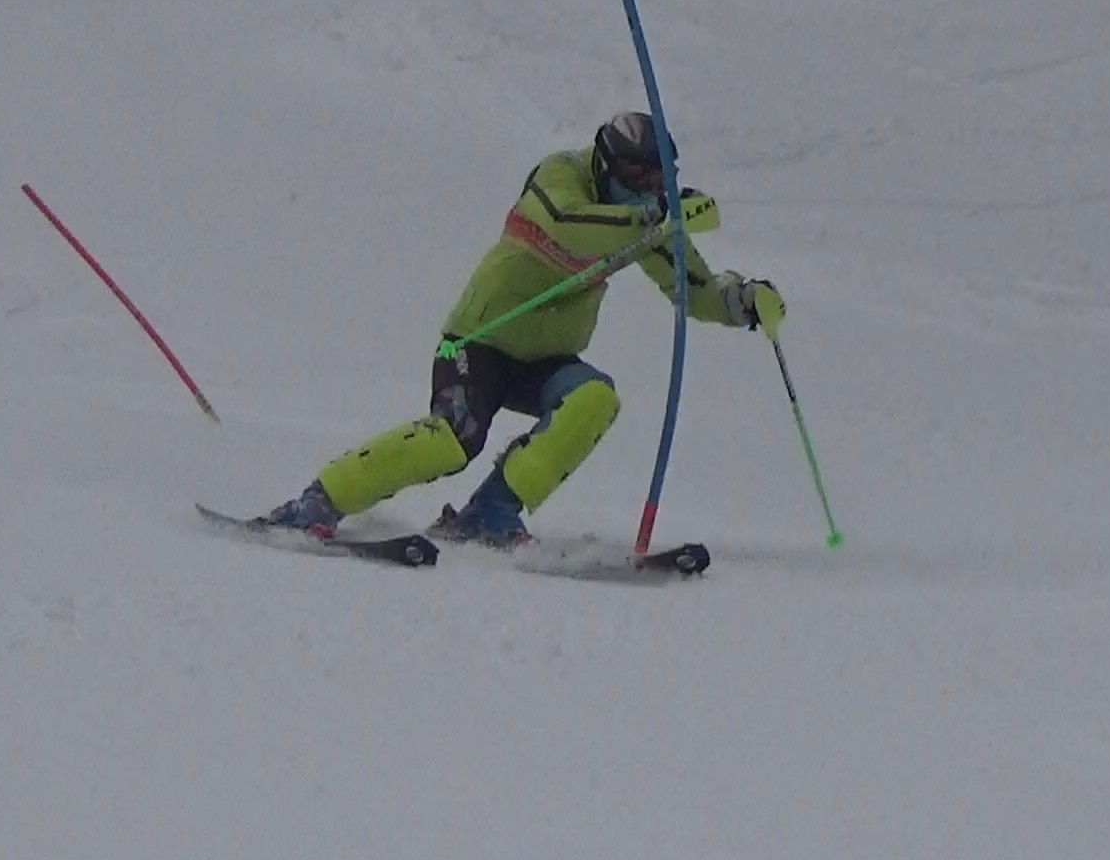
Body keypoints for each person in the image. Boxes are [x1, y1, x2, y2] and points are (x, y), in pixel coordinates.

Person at [265, 110, 785, 546]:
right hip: (481, 340)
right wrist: (654, 215)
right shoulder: (563, 175)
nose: (644, 189)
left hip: (545, 360)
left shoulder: (648, 220)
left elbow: (695, 290)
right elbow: (567, 223)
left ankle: (491, 511)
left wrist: (742, 301)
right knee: (452, 441)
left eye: (657, 179)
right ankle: (319, 500)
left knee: (595, 399)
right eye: (635, 176)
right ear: (605, 164)